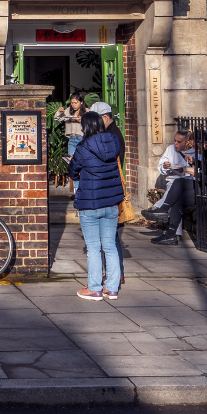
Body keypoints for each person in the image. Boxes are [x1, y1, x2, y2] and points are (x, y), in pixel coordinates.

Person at [69, 110, 125, 301]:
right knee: (110, 246)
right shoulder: (113, 141)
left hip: (90, 203)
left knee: (93, 247)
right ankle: (112, 288)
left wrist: (75, 166)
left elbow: (72, 171)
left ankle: (95, 288)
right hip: (111, 203)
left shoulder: (83, 147)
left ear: (86, 127)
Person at [148, 129, 197, 246]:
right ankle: (172, 232)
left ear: (187, 142)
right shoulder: (170, 149)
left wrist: (189, 169)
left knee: (176, 194)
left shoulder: (196, 152)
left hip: (189, 183)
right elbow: (161, 166)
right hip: (174, 181)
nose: (176, 143)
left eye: (179, 142)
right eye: (175, 140)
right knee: (175, 189)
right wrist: (165, 166)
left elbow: (201, 171)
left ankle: (161, 209)